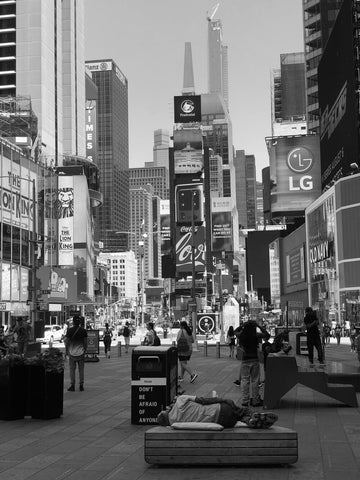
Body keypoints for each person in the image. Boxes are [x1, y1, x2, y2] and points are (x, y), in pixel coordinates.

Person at [157, 394, 278, 429]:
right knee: (242, 410)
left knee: (237, 418)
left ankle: (250, 421)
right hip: (220, 409)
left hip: (222, 422)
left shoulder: (174, 424)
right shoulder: (180, 401)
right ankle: (252, 416)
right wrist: (224, 399)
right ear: (165, 413)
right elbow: (204, 400)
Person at [238, 320, 270, 407]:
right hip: (254, 359)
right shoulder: (256, 335)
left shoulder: (242, 335)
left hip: (245, 360)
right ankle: (255, 400)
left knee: (245, 380)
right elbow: (267, 335)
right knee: (255, 380)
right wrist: (259, 326)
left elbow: (235, 331)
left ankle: (245, 400)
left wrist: (242, 326)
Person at [65, 315, 88, 392]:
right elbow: (85, 343)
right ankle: (81, 385)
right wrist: (84, 350)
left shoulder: (69, 330)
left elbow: (67, 342)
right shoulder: (83, 331)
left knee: (72, 370)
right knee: (81, 370)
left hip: (72, 353)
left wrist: (67, 351)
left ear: (73, 322)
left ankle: (72, 385)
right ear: (79, 322)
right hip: (81, 353)